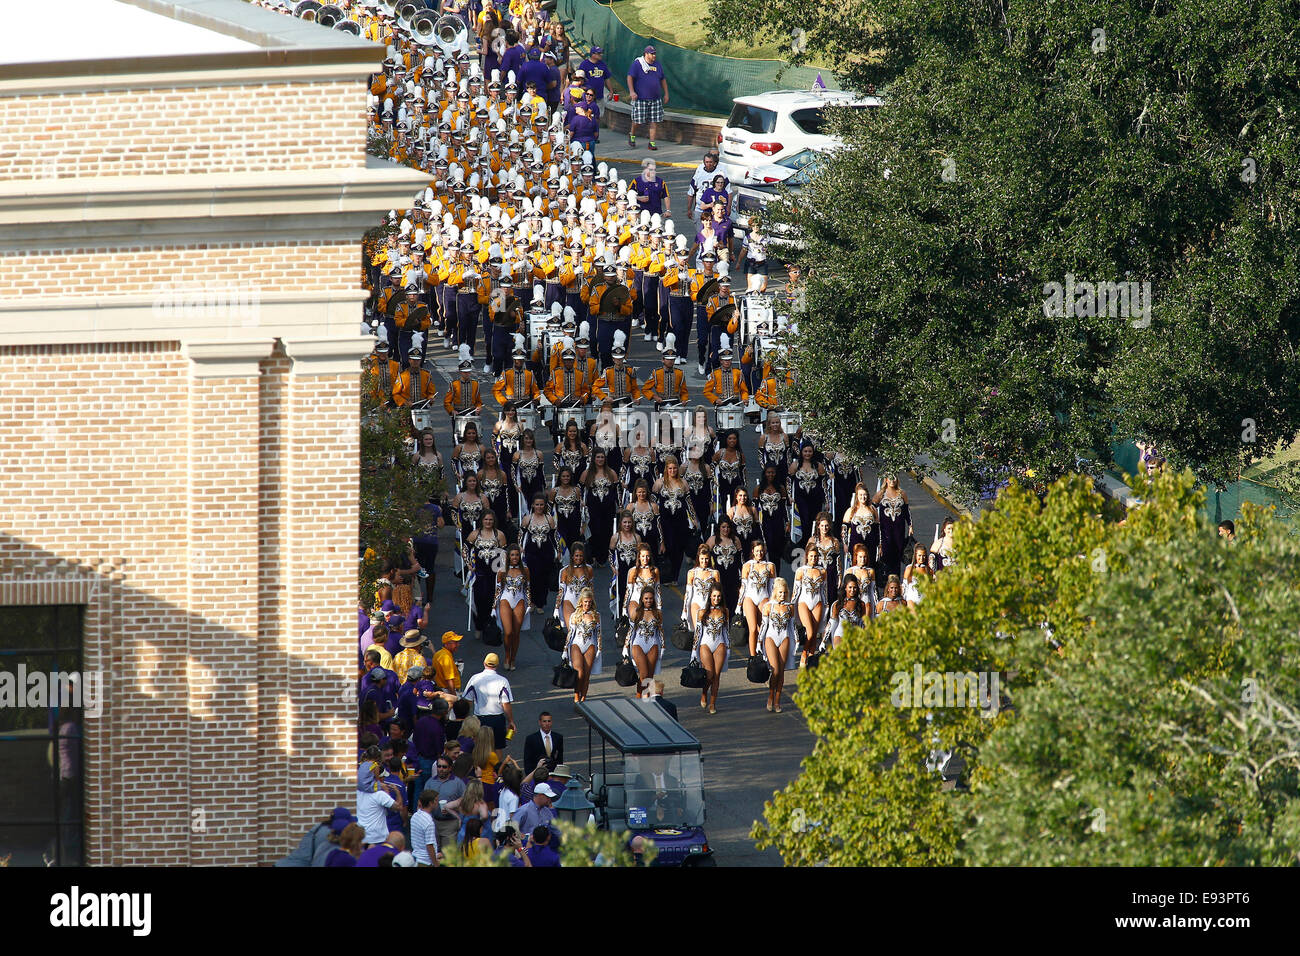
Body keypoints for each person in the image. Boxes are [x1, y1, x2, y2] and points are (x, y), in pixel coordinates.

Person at [461, 652, 516, 749]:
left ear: (484, 663)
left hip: (480, 719)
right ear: (497, 665)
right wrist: (511, 721)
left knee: (480, 748)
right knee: (498, 747)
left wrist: (465, 719)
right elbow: (506, 704)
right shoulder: (503, 681)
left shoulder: (474, 679)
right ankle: (497, 765)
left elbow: (468, 700)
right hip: (497, 719)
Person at [758, 578, 795, 712]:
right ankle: (770, 696)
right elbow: (763, 626)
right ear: (775, 592)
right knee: (776, 670)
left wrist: (796, 641)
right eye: (780, 592)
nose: (782, 595)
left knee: (782, 671)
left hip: (784, 637)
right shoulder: (768, 606)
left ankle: (778, 701)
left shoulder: (790, 607)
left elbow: (792, 627)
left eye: (784, 593)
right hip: (770, 638)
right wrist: (758, 643)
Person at [694, 582, 730, 714]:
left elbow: (726, 631)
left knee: (716, 675)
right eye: (714, 596)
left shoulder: (725, 611)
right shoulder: (702, 612)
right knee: (709, 675)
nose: (716, 599)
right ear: (710, 596)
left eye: (719, 596)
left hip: (720, 643)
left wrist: (728, 648)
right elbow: (698, 633)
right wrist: (694, 652)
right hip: (705, 645)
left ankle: (713, 703)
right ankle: (704, 692)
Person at [417, 754, 466, 852]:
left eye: (444, 767)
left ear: (450, 768)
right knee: (433, 853)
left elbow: (465, 801)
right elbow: (422, 802)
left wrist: (453, 808)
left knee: (448, 854)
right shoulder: (430, 782)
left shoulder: (458, 783)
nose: (441, 769)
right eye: (439, 766)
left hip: (450, 824)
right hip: (433, 822)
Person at [563, 586, 603, 703]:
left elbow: (599, 634)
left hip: (590, 644)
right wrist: (565, 650)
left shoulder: (597, 616)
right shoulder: (575, 615)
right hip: (576, 644)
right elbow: (570, 634)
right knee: (579, 672)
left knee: (586, 673)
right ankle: (576, 695)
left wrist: (599, 649)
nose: (587, 604)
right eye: (585, 601)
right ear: (581, 601)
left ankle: (584, 697)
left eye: (590, 602)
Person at [493, 545, 530, 670]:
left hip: (520, 600)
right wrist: (493, 607)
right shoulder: (501, 571)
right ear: (508, 556)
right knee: (508, 632)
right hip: (505, 600)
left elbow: (527, 589)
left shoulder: (525, 570)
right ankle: (507, 656)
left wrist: (529, 604)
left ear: (520, 556)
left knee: (516, 633)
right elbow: (498, 590)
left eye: (517, 555)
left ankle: (513, 658)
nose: (515, 557)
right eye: (512, 555)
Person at [626, 45, 668, 150]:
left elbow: (663, 79)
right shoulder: (638, 64)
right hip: (641, 98)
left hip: (655, 98)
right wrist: (632, 91)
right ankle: (632, 134)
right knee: (638, 121)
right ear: (646, 54)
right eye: (652, 53)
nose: (654, 55)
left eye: (655, 53)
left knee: (654, 121)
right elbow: (630, 77)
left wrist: (666, 93)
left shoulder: (657, 65)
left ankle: (652, 142)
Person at [793, 543, 828, 668]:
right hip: (804, 603)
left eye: (816, 556)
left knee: (815, 632)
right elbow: (796, 591)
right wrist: (792, 605)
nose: (814, 559)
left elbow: (824, 591)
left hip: (817, 602)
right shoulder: (800, 571)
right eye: (811, 556)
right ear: (807, 556)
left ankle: (812, 658)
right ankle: (804, 654)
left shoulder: (822, 571)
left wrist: (826, 605)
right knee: (810, 632)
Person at [738, 539, 775, 657]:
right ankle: (753, 656)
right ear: (753, 551)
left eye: (762, 551)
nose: (759, 553)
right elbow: (743, 587)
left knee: (763, 629)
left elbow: (772, 587)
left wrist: (772, 602)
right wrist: (739, 605)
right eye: (757, 551)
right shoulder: (747, 565)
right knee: (753, 629)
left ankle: (764, 653)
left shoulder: (770, 566)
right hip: (750, 598)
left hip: (764, 598)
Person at [626, 585, 664, 694]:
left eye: (651, 598)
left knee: (650, 676)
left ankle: (645, 698)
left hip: (653, 645)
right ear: (642, 599)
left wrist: (663, 647)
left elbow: (661, 632)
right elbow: (631, 631)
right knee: (643, 674)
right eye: (646, 598)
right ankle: (640, 697)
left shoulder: (658, 613)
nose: (648, 600)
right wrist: (625, 647)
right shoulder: (637, 612)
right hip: (638, 644)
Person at [873, 475, 913, 580]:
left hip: (899, 530)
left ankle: (896, 581)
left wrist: (910, 525)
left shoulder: (902, 494)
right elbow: (872, 508)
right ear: (886, 479)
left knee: (898, 555)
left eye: (894, 478)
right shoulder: (881, 494)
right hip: (885, 531)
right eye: (889, 478)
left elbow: (906, 511)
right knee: (886, 555)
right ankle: (887, 581)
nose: (892, 480)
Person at [686, 150, 722, 233]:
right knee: (701, 235)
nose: (708, 164)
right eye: (706, 162)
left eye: (710, 162)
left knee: (714, 235)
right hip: (700, 209)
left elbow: (727, 192)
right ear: (704, 163)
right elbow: (691, 193)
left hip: (715, 210)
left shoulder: (720, 174)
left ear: (714, 163)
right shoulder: (699, 174)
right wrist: (689, 209)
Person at [409, 790, 441, 866]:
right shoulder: (429, 822)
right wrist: (435, 863)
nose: (438, 802)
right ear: (430, 803)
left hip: (416, 858)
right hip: (426, 862)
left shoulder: (415, 816)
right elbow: (429, 845)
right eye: (436, 800)